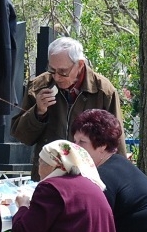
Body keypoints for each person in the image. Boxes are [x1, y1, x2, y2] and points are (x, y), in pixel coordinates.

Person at [10, 37, 125, 181]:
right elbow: (21, 136)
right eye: (52, 70)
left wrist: (118, 180)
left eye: (63, 71)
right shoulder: (39, 86)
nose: (57, 77)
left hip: (88, 177)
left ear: (80, 65)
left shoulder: (103, 91)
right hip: (49, 175)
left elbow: (116, 143)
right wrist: (38, 112)